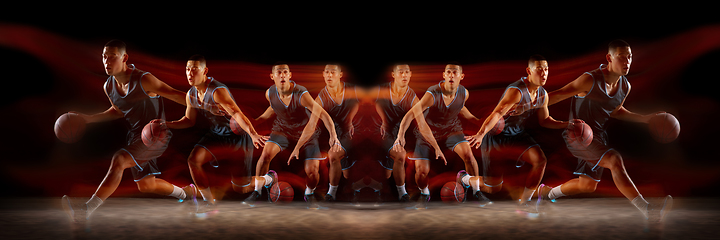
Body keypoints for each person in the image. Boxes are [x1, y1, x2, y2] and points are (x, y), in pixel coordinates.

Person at [61, 40, 191, 223]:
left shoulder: (144, 79)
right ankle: (186, 193)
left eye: (112, 57)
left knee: (119, 160)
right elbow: (118, 110)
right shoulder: (109, 86)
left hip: (156, 135)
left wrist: (207, 105)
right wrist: (88, 118)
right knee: (146, 185)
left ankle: (86, 210)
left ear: (124, 58)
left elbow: (176, 94)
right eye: (104, 57)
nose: (106, 61)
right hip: (136, 137)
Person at [542, 40, 672, 222]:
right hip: (577, 135)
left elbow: (616, 110)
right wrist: (526, 105)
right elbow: (559, 94)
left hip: (597, 137)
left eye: (630, 57)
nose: (627, 61)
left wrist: (645, 118)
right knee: (614, 160)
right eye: (621, 57)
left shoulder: (625, 86)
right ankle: (647, 209)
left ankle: (547, 193)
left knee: (587, 186)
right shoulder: (589, 79)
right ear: (609, 58)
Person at [163, 54, 267, 213]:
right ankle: (209, 202)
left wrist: (253, 134)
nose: (190, 73)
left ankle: (269, 178)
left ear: (205, 71)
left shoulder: (217, 91)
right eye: (187, 69)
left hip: (237, 136)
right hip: (217, 134)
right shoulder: (191, 94)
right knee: (193, 161)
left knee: (240, 187)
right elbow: (189, 120)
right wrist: (167, 124)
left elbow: (237, 114)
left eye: (195, 70)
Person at [465, 55, 567, 213]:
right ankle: (464, 179)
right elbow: (497, 113)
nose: (544, 73)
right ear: (529, 71)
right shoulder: (516, 91)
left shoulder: (542, 94)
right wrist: (481, 134)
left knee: (540, 161)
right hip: (496, 137)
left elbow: (545, 120)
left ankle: (524, 203)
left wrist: (567, 124)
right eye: (539, 69)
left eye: (546, 69)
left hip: (517, 134)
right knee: (493, 188)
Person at [243, 63, 342, 209]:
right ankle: (257, 192)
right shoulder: (269, 93)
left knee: (312, 172)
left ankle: (309, 193)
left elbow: (323, 114)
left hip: (306, 134)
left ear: (290, 75)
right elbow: (274, 107)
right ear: (272, 76)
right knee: (265, 156)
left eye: (285, 72)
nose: (282, 75)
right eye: (279, 72)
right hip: (282, 130)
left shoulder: (301, 94)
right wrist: (258, 120)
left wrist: (333, 135)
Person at [393, 63, 487, 209]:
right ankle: (424, 193)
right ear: (443, 75)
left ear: (461, 76)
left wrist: (476, 120)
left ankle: (476, 192)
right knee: (421, 172)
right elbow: (411, 114)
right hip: (428, 134)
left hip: (451, 130)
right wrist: (401, 135)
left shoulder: (464, 93)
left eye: (454, 72)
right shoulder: (433, 94)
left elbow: (460, 106)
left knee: (469, 155)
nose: (451, 75)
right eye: (448, 72)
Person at [312, 64, 359, 203]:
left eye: (333, 72)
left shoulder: (351, 89)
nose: (329, 75)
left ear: (340, 75)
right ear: (323, 74)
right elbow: (313, 116)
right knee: (334, 156)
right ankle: (331, 193)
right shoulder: (321, 96)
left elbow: (358, 104)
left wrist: (351, 119)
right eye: (327, 72)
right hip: (338, 133)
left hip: (358, 129)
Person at [373, 64, 420, 202]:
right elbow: (375, 103)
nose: (404, 75)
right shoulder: (382, 89)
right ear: (393, 75)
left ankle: (402, 193)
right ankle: (391, 191)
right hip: (376, 129)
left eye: (407, 72)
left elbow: (419, 118)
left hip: (396, 133)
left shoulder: (412, 97)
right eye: (401, 72)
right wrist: (383, 120)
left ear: (410, 74)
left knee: (398, 157)